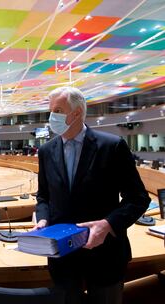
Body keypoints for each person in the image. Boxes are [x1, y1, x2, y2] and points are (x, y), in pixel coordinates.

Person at [34, 86, 150, 304]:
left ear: (76, 113)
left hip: (105, 255)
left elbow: (138, 198)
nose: (51, 117)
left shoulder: (112, 146)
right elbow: (44, 196)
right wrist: (42, 218)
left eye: (57, 110)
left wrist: (107, 224)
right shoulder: (46, 151)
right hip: (63, 257)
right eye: (51, 110)